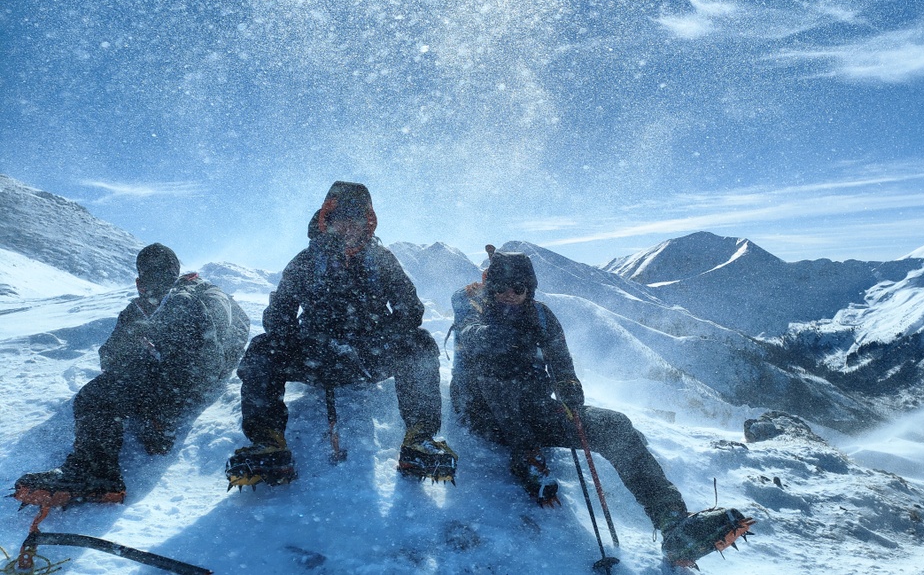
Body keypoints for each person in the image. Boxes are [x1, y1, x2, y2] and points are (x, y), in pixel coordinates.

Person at [450, 249, 753, 568]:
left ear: (530, 290)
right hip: (483, 414)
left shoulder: (540, 315)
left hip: (535, 410)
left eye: (518, 288)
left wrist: (569, 388)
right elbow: (472, 337)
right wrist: (509, 333)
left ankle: (673, 522)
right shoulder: (471, 304)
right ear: (490, 286)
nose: (509, 295)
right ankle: (526, 457)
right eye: (500, 287)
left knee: (615, 426)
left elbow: (562, 363)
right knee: (496, 371)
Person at [226, 181, 456, 490]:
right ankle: (268, 443)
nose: (348, 227)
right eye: (340, 219)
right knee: (262, 348)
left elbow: (410, 311)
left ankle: (419, 439)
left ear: (367, 223)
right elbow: (278, 317)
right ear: (327, 220)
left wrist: (373, 339)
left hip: (368, 358)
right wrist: (312, 341)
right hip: (315, 359)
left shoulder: (382, 260)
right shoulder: (306, 262)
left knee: (420, 343)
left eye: (356, 219)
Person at [15, 243, 250, 505]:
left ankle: (95, 474)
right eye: (147, 275)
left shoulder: (195, 296)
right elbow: (109, 356)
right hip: (177, 377)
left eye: (157, 274)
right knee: (103, 389)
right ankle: (104, 467)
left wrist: (164, 404)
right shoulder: (141, 308)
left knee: (97, 395)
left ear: (172, 274)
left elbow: (211, 351)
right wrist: (136, 343)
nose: (149, 283)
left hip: (194, 378)